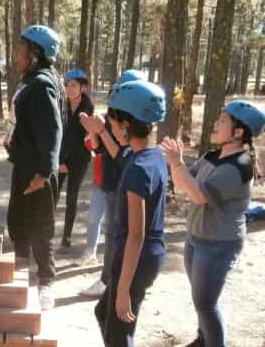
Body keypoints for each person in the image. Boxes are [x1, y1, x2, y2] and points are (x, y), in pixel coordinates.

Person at [161, 100, 265, 347]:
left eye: (222, 121)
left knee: (206, 303)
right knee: (201, 299)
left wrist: (176, 163)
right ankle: (203, 339)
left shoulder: (238, 167)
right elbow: (189, 178)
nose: (215, 124)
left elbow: (197, 194)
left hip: (219, 244)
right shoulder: (214, 154)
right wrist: (168, 159)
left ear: (238, 132)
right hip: (197, 237)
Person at [91, 80, 168, 346]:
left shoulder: (138, 170)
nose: (110, 125)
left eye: (111, 120)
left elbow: (136, 235)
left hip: (134, 257)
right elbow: (121, 155)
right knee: (103, 312)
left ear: (125, 124)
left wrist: (123, 288)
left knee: (119, 333)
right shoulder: (151, 156)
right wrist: (101, 132)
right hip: (146, 255)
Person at [7, 25, 62, 310]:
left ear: (35, 53)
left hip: (38, 173)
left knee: (40, 229)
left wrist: (44, 174)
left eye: (20, 50)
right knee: (19, 222)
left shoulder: (42, 84)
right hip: (25, 166)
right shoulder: (30, 80)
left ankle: (46, 284)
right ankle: (19, 275)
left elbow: (52, 131)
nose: (15, 54)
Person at [78, 69, 146, 296]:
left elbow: (122, 156)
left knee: (120, 235)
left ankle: (110, 281)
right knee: (113, 234)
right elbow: (99, 150)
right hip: (108, 182)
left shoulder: (136, 122)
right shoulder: (112, 115)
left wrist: (101, 133)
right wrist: (94, 132)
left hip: (123, 186)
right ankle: (111, 279)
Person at [57, 69, 93, 250]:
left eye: (74, 85)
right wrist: (60, 161)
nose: (70, 89)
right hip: (60, 158)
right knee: (52, 196)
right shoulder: (61, 105)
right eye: (67, 85)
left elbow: (86, 138)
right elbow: (58, 134)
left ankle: (67, 237)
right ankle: (45, 233)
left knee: (72, 198)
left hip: (79, 159)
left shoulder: (88, 107)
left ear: (82, 87)